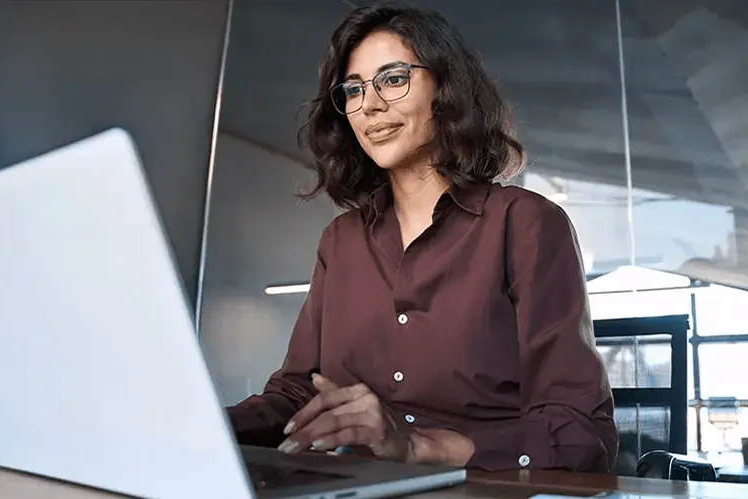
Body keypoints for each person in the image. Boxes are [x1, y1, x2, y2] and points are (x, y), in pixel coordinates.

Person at [224, 1, 619, 473]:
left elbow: (581, 434)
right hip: (347, 485)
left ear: (446, 88)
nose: (369, 105)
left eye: (393, 79)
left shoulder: (526, 224)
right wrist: (197, 422)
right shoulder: (340, 240)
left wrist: (420, 446)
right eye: (353, 90)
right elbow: (296, 394)